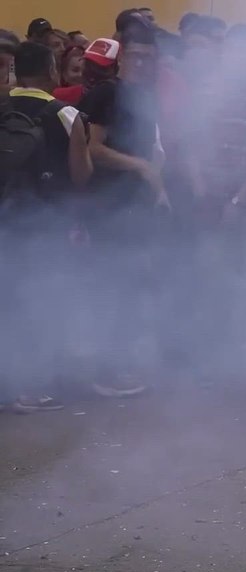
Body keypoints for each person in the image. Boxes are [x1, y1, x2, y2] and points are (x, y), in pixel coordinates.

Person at [0, 41, 93, 413]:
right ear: (52, 69)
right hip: (47, 223)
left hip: (7, 217)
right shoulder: (66, 114)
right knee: (41, 303)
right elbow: (81, 174)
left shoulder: (2, 106)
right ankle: (32, 389)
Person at [77, 22, 164, 398]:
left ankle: (119, 362)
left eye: (150, 57)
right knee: (112, 288)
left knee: (131, 286)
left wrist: (158, 187)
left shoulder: (144, 97)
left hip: (135, 207)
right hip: (107, 206)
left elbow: (152, 151)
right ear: (122, 55)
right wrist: (139, 167)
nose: (143, 63)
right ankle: (106, 372)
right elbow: (91, 147)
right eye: (137, 56)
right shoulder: (108, 94)